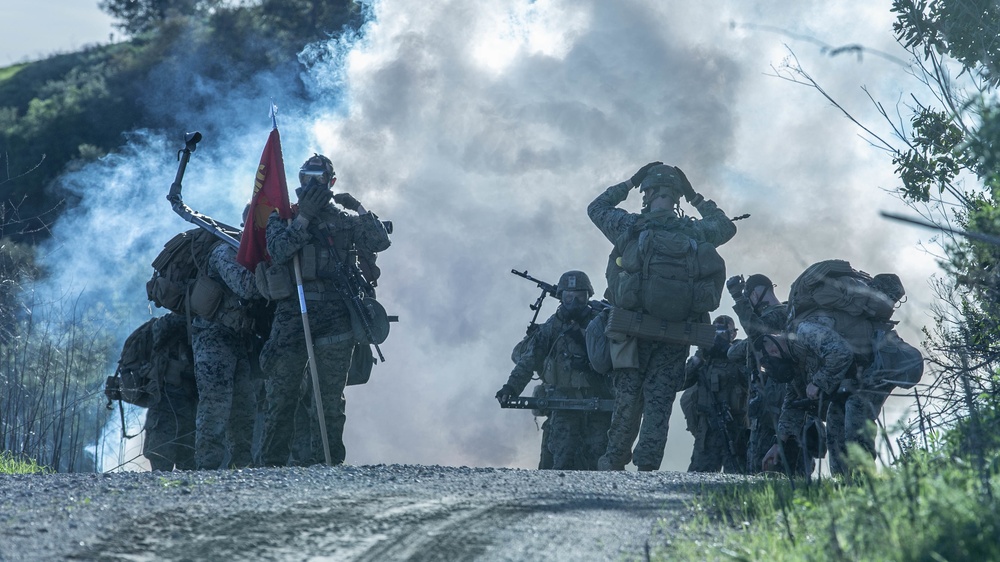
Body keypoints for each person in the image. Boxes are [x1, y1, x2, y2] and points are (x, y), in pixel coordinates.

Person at [588, 162, 737, 471]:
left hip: (632, 329)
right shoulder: (696, 231)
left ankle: (612, 465)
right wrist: (696, 196)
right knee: (659, 403)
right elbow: (726, 226)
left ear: (648, 193)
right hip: (676, 332)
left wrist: (630, 181)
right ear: (677, 198)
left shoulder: (629, 225)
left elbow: (596, 207)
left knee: (628, 401)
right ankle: (647, 470)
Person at [257, 154, 391, 467]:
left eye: (318, 179)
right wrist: (304, 218)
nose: (311, 185)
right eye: (306, 178)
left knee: (329, 398)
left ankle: (328, 466)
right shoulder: (285, 217)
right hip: (293, 316)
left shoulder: (344, 220)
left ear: (330, 182)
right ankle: (271, 466)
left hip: (335, 318)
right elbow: (278, 251)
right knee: (281, 395)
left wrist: (357, 207)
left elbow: (379, 241)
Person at [496, 271, 612, 470]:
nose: (574, 302)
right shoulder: (553, 325)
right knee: (561, 461)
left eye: (579, 297)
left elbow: (615, 360)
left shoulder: (600, 322)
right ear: (561, 297)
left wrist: (584, 340)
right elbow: (529, 359)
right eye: (568, 297)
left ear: (588, 297)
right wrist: (511, 388)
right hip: (563, 403)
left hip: (598, 404)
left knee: (599, 462)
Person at [191, 234, 264, 470]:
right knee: (216, 404)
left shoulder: (247, 253)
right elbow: (247, 286)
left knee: (244, 406)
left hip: (238, 339)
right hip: (213, 338)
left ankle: (241, 465)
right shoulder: (225, 250)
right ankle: (207, 466)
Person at [758, 316, 856, 475]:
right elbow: (791, 405)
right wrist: (778, 444)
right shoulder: (794, 362)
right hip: (844, 393)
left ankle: (865, 487)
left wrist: (818, 382)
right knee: (835, 436)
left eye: (770, 357)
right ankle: (845, 488)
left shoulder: (804, 331)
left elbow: (842, 353)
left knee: (854, 437)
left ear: (774, 349)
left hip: (866, 380)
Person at [725, 273, 790, 474]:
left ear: (755, 294)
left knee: (769, 462)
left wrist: (738, 299)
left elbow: (756, 332)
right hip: (769, 399)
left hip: (777, 397)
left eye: (748, 296)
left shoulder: (781, 313)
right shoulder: (784, 314)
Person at [680, 315, 748, 473]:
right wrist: (697, 360)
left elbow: (750, 380)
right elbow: (680, 383)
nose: (719, 336)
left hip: (735, 428)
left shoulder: (740, 356)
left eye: (724, 332)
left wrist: (730, 353)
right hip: (707, 430)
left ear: (733, 334)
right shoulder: (704, 359)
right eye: (715, 332)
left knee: (737, 478)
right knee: (698, 479)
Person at [142, 312, 197, 471]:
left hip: (189, 402)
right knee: (161, 465)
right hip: (166, 402)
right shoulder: (168, 323)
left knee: (190, 467)